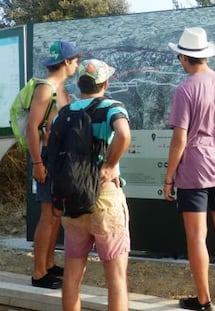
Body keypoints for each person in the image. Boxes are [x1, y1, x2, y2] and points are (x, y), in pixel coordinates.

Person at [164, 27, 215, 311]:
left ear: (185, 58)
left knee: (197, 237)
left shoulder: (185, 89)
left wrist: (169, 177)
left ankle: (203, 300)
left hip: (193, 173)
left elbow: (179, 138)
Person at [60, 59, 131, 311]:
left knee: (72, 275)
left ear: (79, 84)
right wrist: (110, 166)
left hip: (74, 200)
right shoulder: (111, 107)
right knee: (116, 278)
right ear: (105, 83)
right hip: (105, 197)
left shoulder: (66, 112)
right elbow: (123, 134)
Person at [26, 40, 80, 289]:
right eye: (75, 61)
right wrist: (37, 163)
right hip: (45, 158)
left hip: (58, 158)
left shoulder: (61, 89)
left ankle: (48, 264)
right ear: (66, 62)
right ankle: (39, 273)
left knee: (56, 213)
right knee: (48, 215)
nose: (77, 65)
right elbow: (31, 128)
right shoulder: (45, 89)